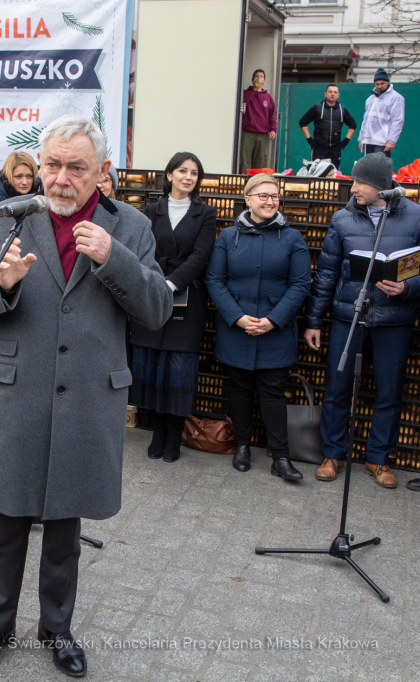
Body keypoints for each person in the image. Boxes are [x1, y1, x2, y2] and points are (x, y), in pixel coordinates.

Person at [0, 115, 171, 677]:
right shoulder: (5, 218)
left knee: (64, 527)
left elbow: (156, 311)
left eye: (76, 167)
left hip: (88, 399)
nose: (60, 178)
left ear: (101, 172)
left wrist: (111, 258)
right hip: (19, 391)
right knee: (6, 524)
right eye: (52, 164)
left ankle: (57, 627)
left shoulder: (130, 228)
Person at [305, 153, 420, 490]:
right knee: (337, 388)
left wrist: (407, 287)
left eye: (359, 182)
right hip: (348, 316)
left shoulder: (415, 216)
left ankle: (378, 459)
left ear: (381, 186)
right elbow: (326, 273)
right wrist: (314, 320)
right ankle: (333, 454)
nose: (352, 187)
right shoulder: (343, 219)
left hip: (394, 320)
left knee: (389, 392)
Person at [205, 174, 312, 480]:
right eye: (262, 196)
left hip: (275, 330)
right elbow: (215, 280)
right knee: (238, 388)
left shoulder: (292, 239)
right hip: (236, 327)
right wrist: (237, 317)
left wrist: (272, 320)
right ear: (247, 199)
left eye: (274, 196)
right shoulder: (228, 237)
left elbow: (300, 283)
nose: (269, 201)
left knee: (273, 391)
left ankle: (280, 456)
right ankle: (242, 446)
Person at [131, 152, 217, 463]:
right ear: (169, 175)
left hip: (186, 298)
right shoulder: (149, 212)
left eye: (194, 172)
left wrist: (172, 282)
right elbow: (140, 251)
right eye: (182, 171)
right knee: (152, 365)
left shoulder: (205, 214)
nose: (188, 177)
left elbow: (201, 255)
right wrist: (156, 282)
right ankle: (157, 432)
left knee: (178, 369)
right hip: (151, 295)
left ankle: (174, 436)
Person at [299, 84, 356, 170]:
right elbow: (303, 122)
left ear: (338, 95)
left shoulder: (342, 110)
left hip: (335, 150)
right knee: (316, 173)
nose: (332, 94)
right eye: (330, 92)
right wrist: (310, 140)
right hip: (319, 148)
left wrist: (345, 141)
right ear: (325, 94)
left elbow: (353, 125)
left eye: (335, 92)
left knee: (333, 174)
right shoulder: (317, 108)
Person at [358, 68, 405, 163]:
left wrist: (391, 140)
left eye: (382, 84)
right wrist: (362, 138)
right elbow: (365, 120)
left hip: (382, 141)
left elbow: (397, 120)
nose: (379, 86)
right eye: (377, 84)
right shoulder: (370, 99)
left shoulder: (396, 98)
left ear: (387, 82)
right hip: (368, 140)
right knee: (369, 167)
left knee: (380, 168)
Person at [240, 69, 277, 172]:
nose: (258, 78)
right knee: (244, 160)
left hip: (263, 134)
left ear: (264, 80)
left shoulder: (268, 97)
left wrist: (273, 130)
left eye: (261, 76)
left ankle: (258, 185)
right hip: (247, 133)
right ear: (252, 80)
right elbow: (243, 104)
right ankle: (244, 184)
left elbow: (272, 115)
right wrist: (254, 90)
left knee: (261, 162)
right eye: (256, 76)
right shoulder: (246, 93)